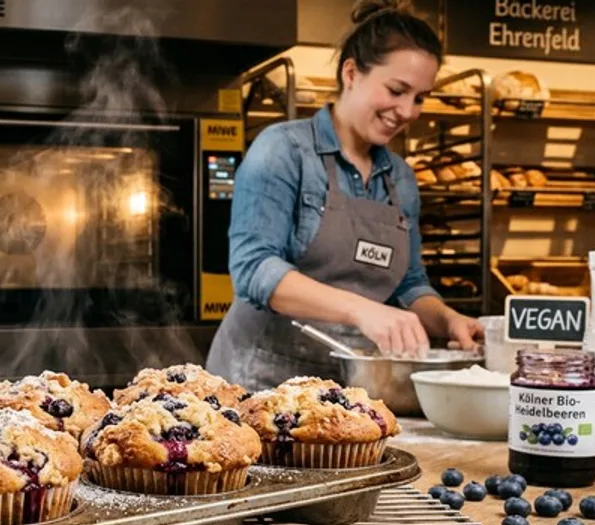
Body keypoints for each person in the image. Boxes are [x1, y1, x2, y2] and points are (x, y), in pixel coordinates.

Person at [206, 0, 484, 390]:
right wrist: (362, 312)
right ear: (350, 72)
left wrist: (446, 318)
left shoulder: (400, 179)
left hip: (346, 389)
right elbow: (254, 269)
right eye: (397, 90)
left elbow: (409, 284)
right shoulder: (284, 150)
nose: (407, 111)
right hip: (258, 383)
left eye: (420, 97)